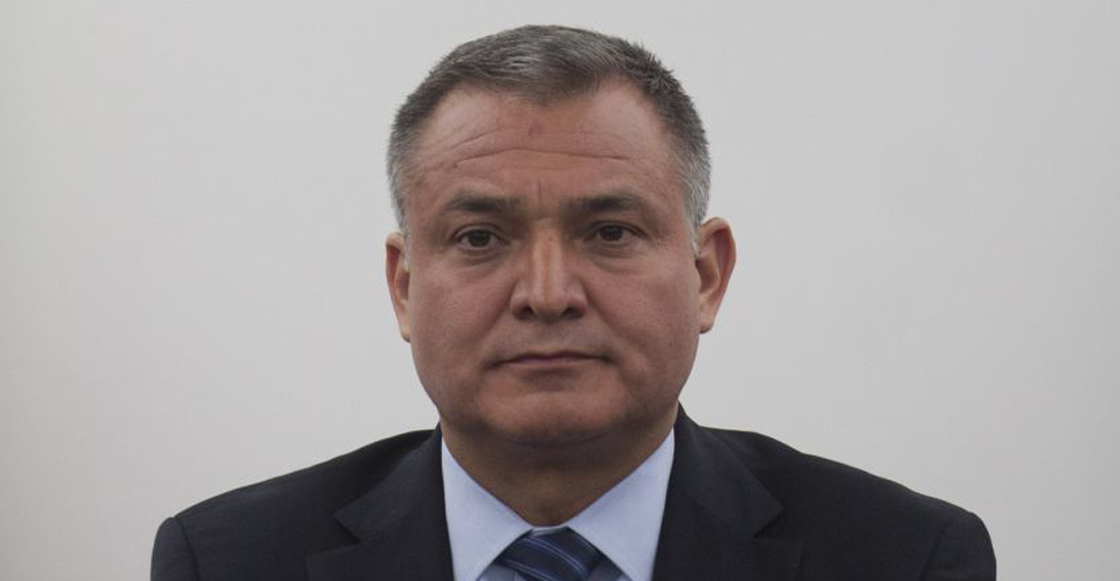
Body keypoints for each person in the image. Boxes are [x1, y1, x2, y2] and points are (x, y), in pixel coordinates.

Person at [151, 25, 996, 581]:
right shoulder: (229, 562)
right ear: (405, 287)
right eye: (480, 237)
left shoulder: (905, 558)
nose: (548, 295)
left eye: (610, 232)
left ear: (706, 274)